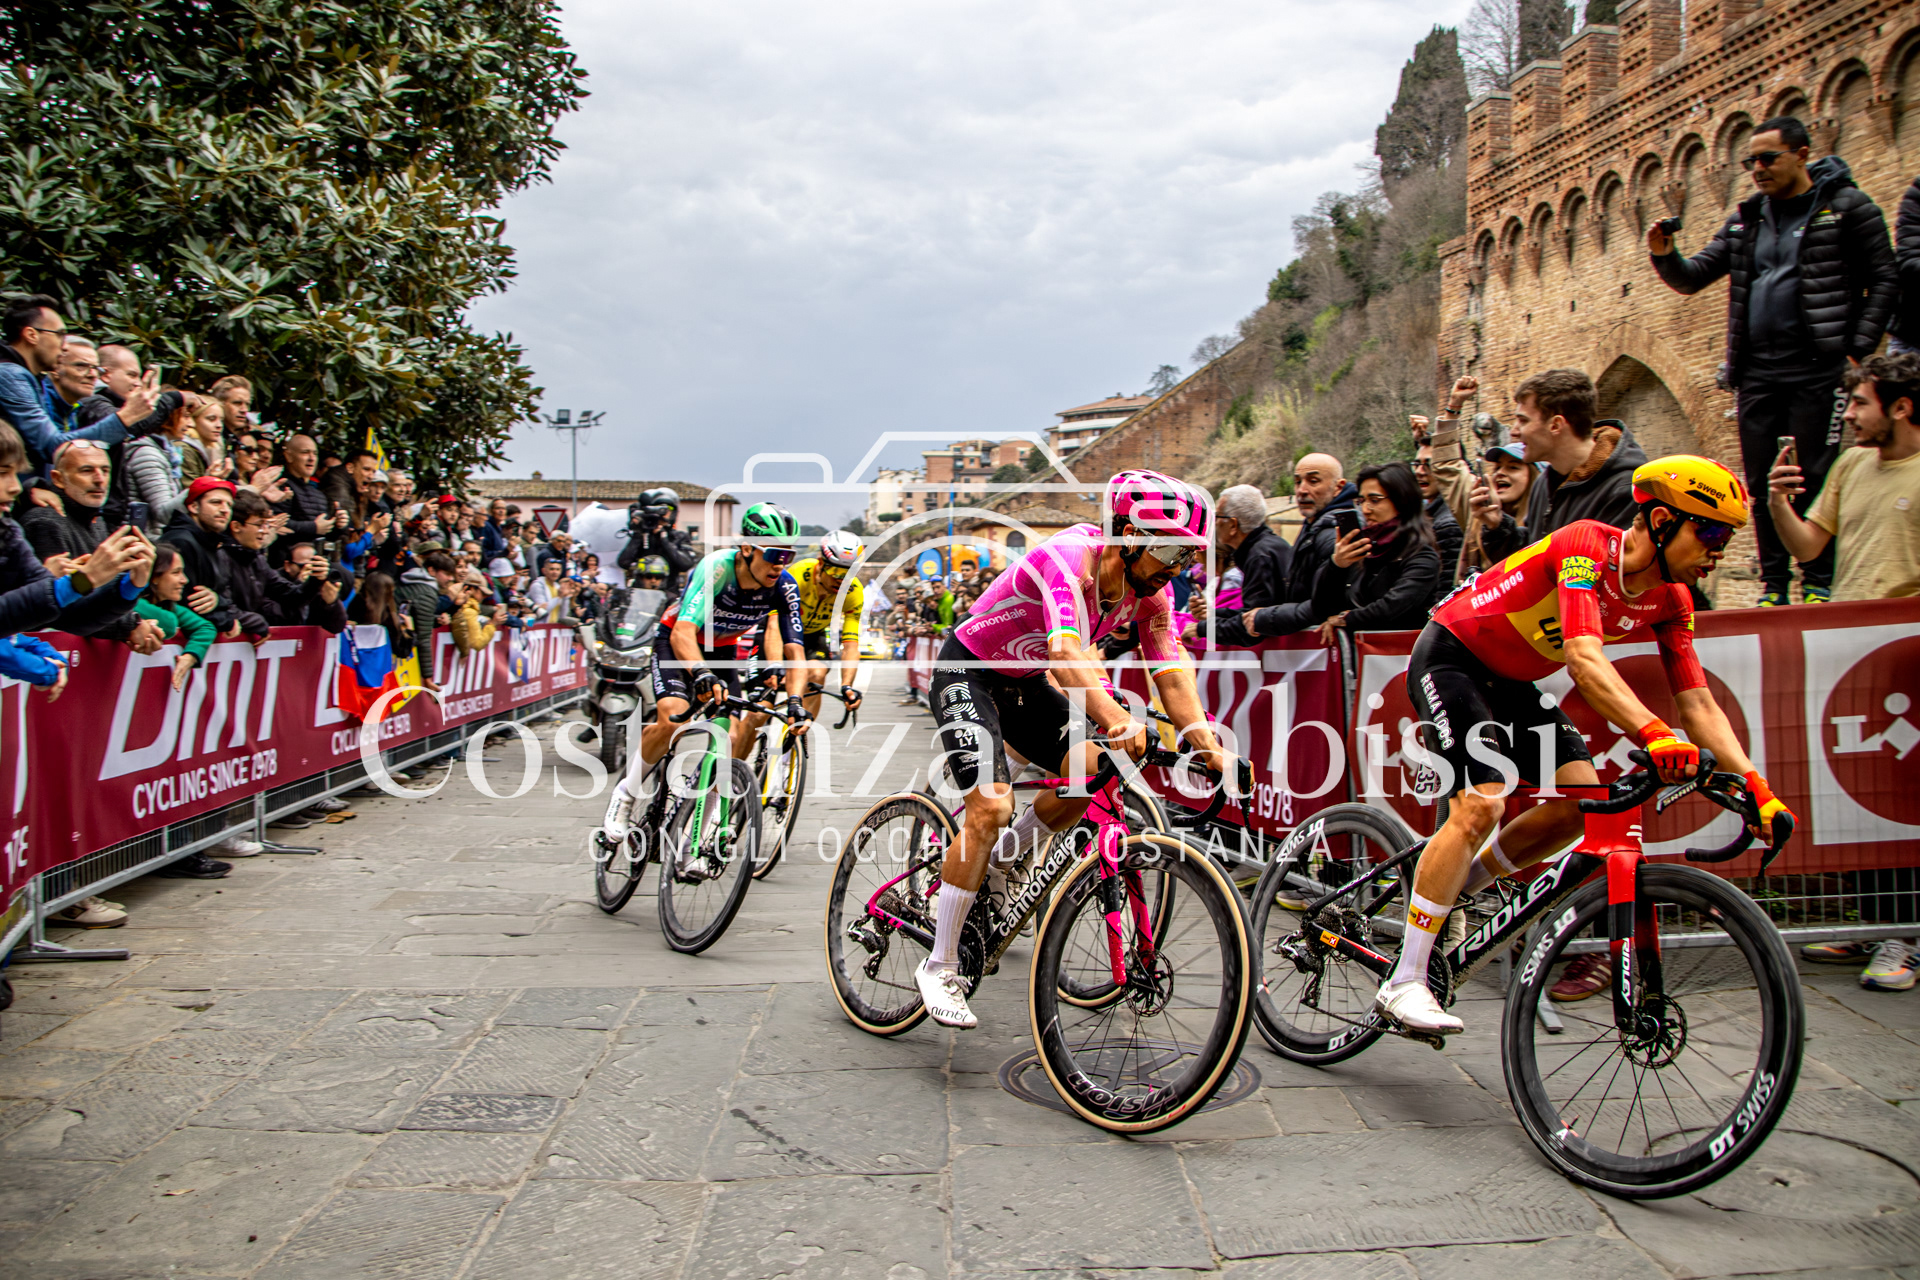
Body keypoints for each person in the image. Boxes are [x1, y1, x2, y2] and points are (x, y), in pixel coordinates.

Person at [1377, 456, 1791, 1034]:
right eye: (1713, 531)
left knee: (1584, 804)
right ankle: (1405, 980)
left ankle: (1464, 887)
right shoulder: (1587, 548)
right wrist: (1653, 732)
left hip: (1513, 680)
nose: (1721, 549)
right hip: (1451, 655)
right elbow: (1583, 658)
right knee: (1482, 803)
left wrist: (1757, 788)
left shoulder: (1673, 600)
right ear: (1664, 520)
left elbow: (1698, 703)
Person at [919, 470, 1234, 1029]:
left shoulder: (1150, 596)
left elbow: (1173, 674)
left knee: (1097, 765)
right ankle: (940, 964)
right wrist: (1115, 718)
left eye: (1186, 555)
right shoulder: (1070, 556)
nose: (1176, 567)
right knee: (990, 807)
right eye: (1168, 550)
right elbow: (1067, 654)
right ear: (1126, 536)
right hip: (969, 670)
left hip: (1026, 681)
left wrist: (1206, 742)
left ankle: (1004, 859)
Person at [1650, 116, 1897, 606]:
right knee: (1761, 484)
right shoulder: (1746, 218)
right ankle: (1773, 586)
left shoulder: (1847, 207)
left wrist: (1856, 351)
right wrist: (1666, 254)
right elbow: (1694, 275)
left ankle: (1819, 583)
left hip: (1820, 367)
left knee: (1814, 476)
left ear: (1802, 154)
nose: (1757, 169)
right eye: (1750, 161)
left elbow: (1885, 280)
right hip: (1757, 371)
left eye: (1768, 158)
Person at [600, 503, 811, 848]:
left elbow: (794, 652)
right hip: (678, 643)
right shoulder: (717, 569)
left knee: (730, 738)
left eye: (788, 555)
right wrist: (699, 672)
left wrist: (796, 701)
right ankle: (625, 794)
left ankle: (704, 828)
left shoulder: (783, 586)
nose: (780, 564)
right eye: (774, 554)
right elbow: (683, 630)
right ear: (747, 548)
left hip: (722, 650)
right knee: (672, 720)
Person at [1766, 350, 1920, 601]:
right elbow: (1806, 549)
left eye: (1860, 403)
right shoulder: (1850, 461)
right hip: (1846, 625)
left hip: (1905, 631)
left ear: (1901, 408)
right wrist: (1778, 501)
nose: (1847, 414)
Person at [1469, 369, 1647, 564]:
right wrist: (1497, 525)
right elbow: (1531, 559)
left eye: (1523, 420)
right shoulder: (1545, 483)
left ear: (1555, 425)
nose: (1515, 432)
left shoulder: (1625, 489)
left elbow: (1609, 579)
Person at [18, 442, 162, 650]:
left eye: (105, 470)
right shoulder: (43, 522)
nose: (99, 479)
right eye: (87, 470)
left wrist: (134, 593)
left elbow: (94, 600)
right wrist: (130, 626)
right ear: (58, 478)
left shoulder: (98, 522)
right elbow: (61, 610)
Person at [0, 295, 154, 480]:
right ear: (32, 335)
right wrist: (126, 417)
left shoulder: (27, 378)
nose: (65, 346)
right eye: (59, 334)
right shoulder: (10, 375)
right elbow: (53, 446)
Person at [1310, 461, 1441, 640]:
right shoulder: (1365, 550)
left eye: (1374, 501)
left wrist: (1347, 619)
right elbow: (1321, 608)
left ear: (1402, 501)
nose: (1365, 510)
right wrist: (1336, 565)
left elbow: (1392, 606)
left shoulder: (1422, 557)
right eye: (1361, 501)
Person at [1238, 452, 1356, 642]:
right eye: (1298, 482)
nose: (1302, 490)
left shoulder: (1333, 534)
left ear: (1338, 487)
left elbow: (1324, 606)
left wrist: (1267, 617)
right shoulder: (1312, 527)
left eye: (1313, 481)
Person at [1183, 484, 1288, 649]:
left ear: (1233, 525)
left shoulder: (1259, 556)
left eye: (1217, 516)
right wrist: (1213, 614)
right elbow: (1253, 613)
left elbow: (1253, 627)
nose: (1214, 523)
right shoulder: (1266, 547)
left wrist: (1203, 629)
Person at [224, 489, 345, 630]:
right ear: (236, 526)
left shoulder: (258, 561)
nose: (265, 531)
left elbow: (292, 596)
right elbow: (223, 607)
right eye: (259, 525)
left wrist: (315, 579)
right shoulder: (221, 557)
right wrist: (256, 623)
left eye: (267, 524)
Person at [161, 476, 266, 640]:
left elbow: (216, 596)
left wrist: (219, 601)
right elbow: (186, 603)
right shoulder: (181, 541)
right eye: (216, 502)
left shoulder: (211, 543)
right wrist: (227, 621)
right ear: (194, 507)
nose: (225, 510)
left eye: (229, 505)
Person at [791, 530, 867, 722]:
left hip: (812, 635)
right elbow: (774, 624)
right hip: (781, 632)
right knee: (758, 713)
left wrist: (847, 686)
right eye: (836, 572)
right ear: (820, 563)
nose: (841, 581)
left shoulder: (853, 592)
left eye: (849, 574)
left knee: (817, 673)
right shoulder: (798, 575)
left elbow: (851, 645)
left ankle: (799, 733)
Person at [1456, 440, 1536, 576]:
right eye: (1497, 468)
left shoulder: (1541, 522)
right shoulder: (1480, 516)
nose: (1500, 473)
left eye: (1513, 467)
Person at [617, 487, 698, 590]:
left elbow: (686, 564)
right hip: (640, 594)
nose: (664, 512)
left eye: (669, 508)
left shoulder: (679, 536)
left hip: (669, 593)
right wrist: (638, 533)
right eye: (658, 508)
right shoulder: (643, 535)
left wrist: (664, 540)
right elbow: (624, 562)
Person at [1412, 438, 1462, 599]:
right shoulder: (1429, 512)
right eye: (1417, 464)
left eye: (1429, 464)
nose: (1420, 471)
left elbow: (1447, 590)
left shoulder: (1448, 524)